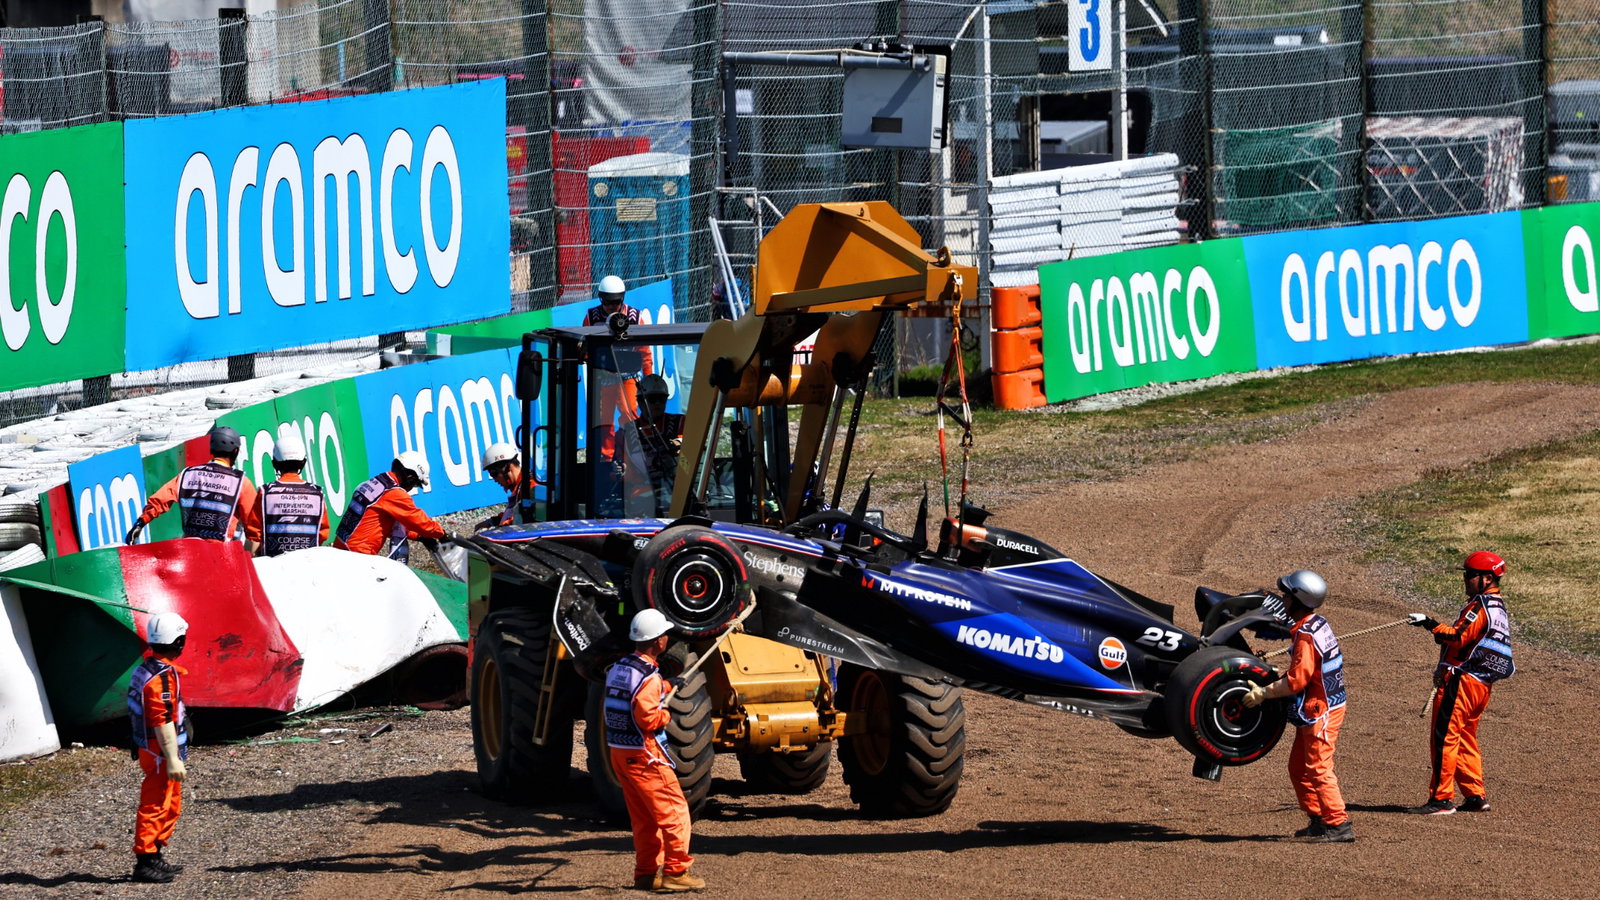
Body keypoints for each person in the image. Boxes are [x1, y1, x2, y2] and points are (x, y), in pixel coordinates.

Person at [1243, 570, 1353, 843]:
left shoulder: (1305, 635)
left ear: (1298, 600)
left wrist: (1264, 693)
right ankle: (1318, 819)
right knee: (1298, 768)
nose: (1283, 599)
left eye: (1286, 595)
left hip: (1322, 709)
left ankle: (1339, 825)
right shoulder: (1315, 623)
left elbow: (1296, 681)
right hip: (1321, 704)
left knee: (1318, 767)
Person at [1407, 550, 1515, 815]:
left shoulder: (1480, 605)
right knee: (1465, 738)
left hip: (1461, 682)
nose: (1466, 579)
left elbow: (1457, 637)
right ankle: (1475, 796)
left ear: (1487, 578)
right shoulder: (1497, 607)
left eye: (1470, 575)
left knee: (1445, 738)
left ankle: (1441, 799)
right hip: (1480, 685)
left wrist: (1429, 623)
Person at [605, 609, 704, 893]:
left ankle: (646, 874)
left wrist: (669, 685)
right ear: (659, 641)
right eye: (665, 635)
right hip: (645, 755)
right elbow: (647, 717)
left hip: (621, 753)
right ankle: (676, 872)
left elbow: (636, 692)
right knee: (675, 812)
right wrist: (666, 715)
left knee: (644, 819)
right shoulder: (648, 677)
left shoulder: (619, 668)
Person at [128, 611, 192, 883]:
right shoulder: (161, 677)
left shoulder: (144, 669)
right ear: (178, 641)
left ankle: (154, 854)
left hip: (152, 748)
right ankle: (144, 862)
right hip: (160, 752)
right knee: (156, 804)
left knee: (170, 803)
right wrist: (173, 758)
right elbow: (162, 719)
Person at [125, 425, 261, 547]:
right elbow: (254, 525)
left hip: (190, 550)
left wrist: (141, 522)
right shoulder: (241, 482)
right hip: (221, 553)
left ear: (211, 449)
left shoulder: (187, 474)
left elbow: (160, 500)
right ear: (235, 451)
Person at [584, 274, 653, 461]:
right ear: (601, 299)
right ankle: (606, 457)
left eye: (615, 302)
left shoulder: (635, 317)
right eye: (607, 302)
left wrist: (649, 379)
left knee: (629, 414)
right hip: (603, 376)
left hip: (628, 377)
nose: (611, 306)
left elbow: (644, 351)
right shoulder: (591, 317)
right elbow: (585, 348)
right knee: (603, 419)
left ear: (622, 298)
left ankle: (629, 454)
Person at [331, 451, 447, 560]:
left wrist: (419, 536)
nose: (412, 488)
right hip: (358, 556)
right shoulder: (394, 493)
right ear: (410, 476)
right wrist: (442, 534)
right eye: (416, 484)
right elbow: (417, 520)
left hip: (340, 548)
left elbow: (388, 525)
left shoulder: (373, 483)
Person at [617, 375, 684, 517]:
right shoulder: (626, 432)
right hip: (642, 498)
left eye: (662, 399)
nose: (657, 403)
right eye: (652, 399)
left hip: (679, 492)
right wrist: (620, 470)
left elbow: (693, 451)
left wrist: (679, 445)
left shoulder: (680, 423)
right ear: (640, 401)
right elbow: (621, 468)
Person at [255, 431, 330, 557]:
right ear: (303, 462)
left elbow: (255, 534)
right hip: (308, 561)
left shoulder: (265, 492)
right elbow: (323, 533)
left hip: (273, 563)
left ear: (274, 463)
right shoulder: (317, 494)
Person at [475, 441, 524, 531]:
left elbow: (523, 520)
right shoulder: (518, 487)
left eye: (494, 474)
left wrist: (498, 530)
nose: (494, 479)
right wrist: (492, 521)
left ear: (509, 467)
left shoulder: (529, 488)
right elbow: (514, 514)